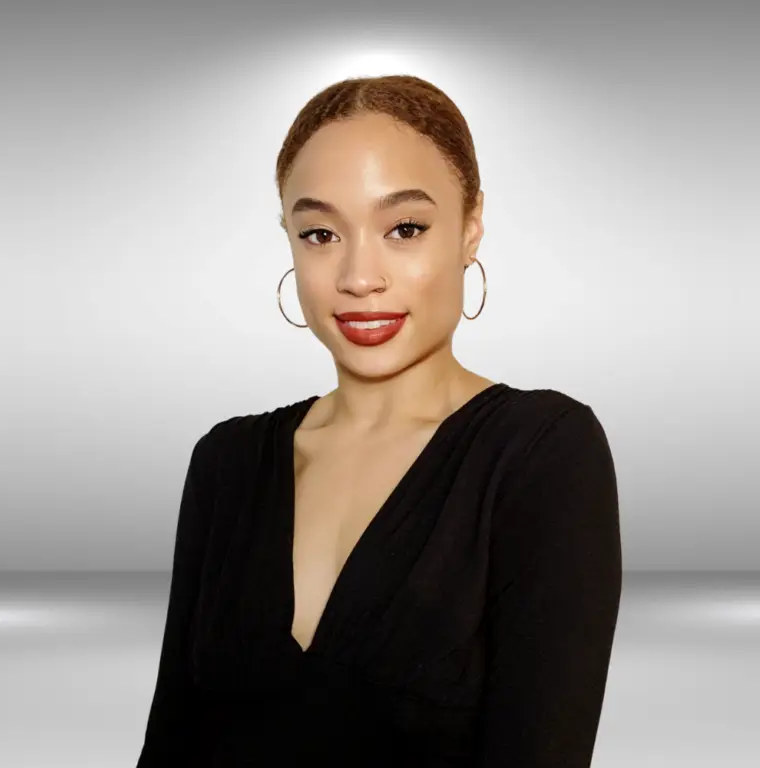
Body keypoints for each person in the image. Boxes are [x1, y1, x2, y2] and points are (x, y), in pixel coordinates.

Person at [136, 74, 622, 767]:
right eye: (321, 233)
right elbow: (169, 747)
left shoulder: (540, 452)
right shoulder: (228, 461)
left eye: (405, 228)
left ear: (471, 227)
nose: (360, 276)